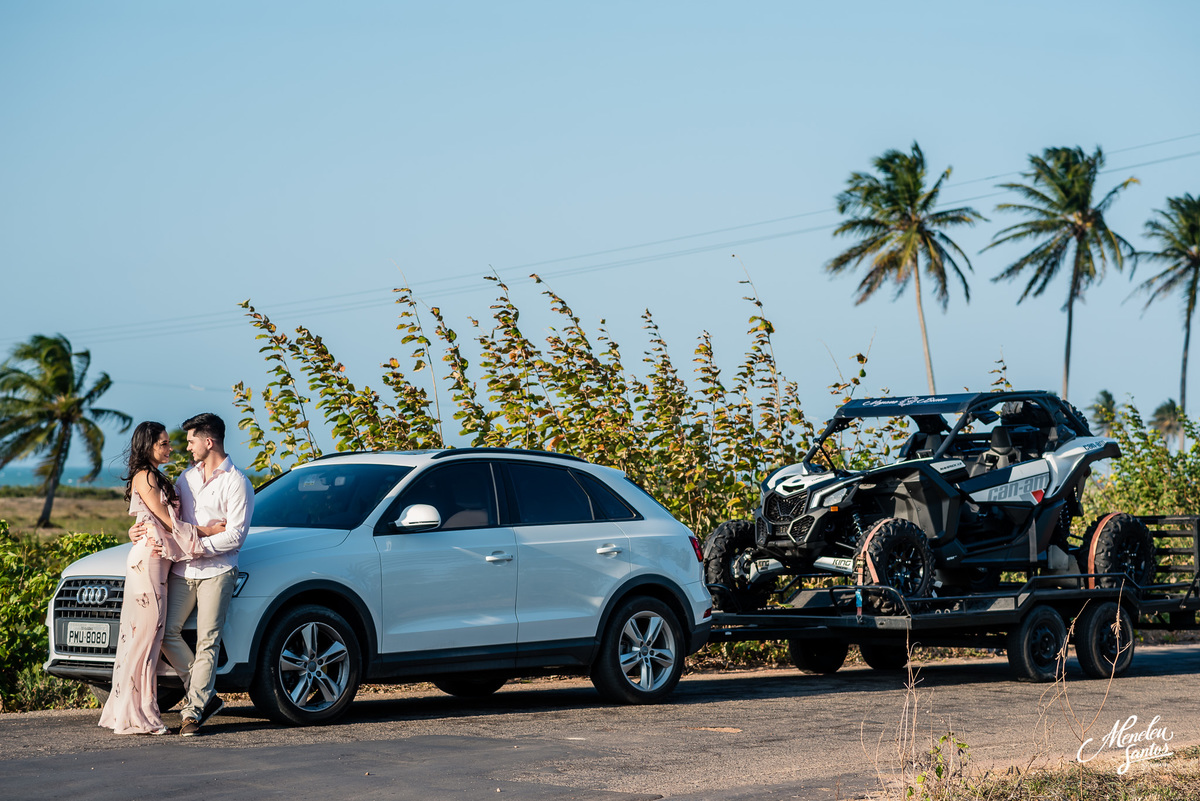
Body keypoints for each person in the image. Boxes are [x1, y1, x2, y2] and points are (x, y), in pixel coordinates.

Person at [98, 422, 224, 735]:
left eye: (169, 444)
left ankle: (135, 710)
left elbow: (152, 518)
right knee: (145, 637)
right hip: (148, 562)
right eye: (164, 444)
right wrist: (209, 531)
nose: (170, 449)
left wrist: (138, 529)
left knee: (149, 637)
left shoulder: (155, 475)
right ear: (148, 445)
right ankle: (138, 713)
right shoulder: (146, 475)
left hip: (157, 561)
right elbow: (167, 521)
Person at [157, 412, 254, 736]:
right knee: (167, 631)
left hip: (218, 571)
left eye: (191, 440)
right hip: (184, 569)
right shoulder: (186, 479)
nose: (187, 447)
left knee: (207, 640)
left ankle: (193, 712)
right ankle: (206, 694)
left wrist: (199, 544)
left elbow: (236, 536)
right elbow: (175, 522)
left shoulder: (238, 482)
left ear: (208, 441)